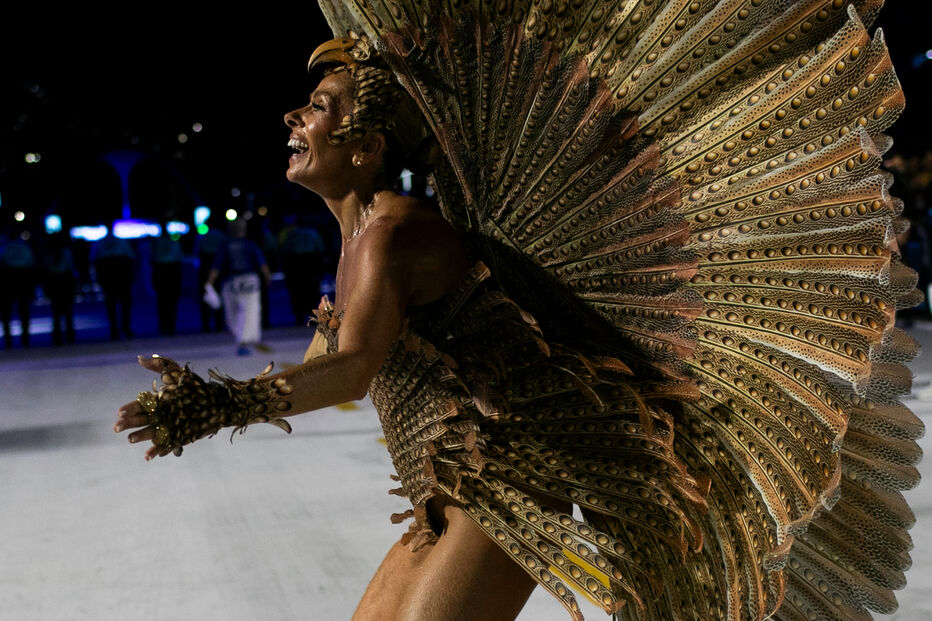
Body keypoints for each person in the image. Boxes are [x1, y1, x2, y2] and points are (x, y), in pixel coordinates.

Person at [116, 6, 922, 620]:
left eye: (319, 107)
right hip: (444, 494)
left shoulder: (391, 234)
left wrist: (221, 402)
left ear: (364, 149)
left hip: (506, 496)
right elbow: (346, 365)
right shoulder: (360, 239)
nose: (295, 118)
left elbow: (351, 367)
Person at [206, 218, 272, 355]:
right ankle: (245, 339)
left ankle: (242, 339)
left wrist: (210, 282)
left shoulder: (225, 245)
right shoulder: (250, 245)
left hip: (232, 281)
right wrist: (267, 276)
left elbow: (216, 267)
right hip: (249, 280)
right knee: (249, 311)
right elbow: (262, 264)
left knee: (233, 313)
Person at [91, 230, 135, 340]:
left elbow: (129, 258)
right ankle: (118, 329)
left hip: (117, 272)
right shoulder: (103, 243)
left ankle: (121, 328)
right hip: (112, 273)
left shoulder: (104, 243)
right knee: (115, 303)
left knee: (119, 303)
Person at [41, 232, 77, 346]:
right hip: (59, 281)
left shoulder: (55, 254)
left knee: (60, 311)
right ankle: (64, 335)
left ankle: (63, 335)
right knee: (62, 311)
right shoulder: (56, 254)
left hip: (60, 281)